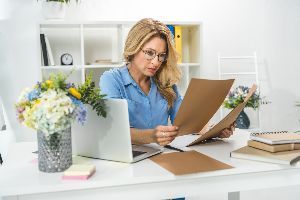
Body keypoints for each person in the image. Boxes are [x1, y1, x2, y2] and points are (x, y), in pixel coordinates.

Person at [100, 18, 235, 146]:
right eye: (149, 53)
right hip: (128, 159)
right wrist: (151, 136)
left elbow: (186, 121)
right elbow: (114, 130)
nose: (156, 62)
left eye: (161, 55)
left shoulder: (165, 83)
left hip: (160, 156)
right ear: (134, 47)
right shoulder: (111, 80)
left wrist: (214, 130)